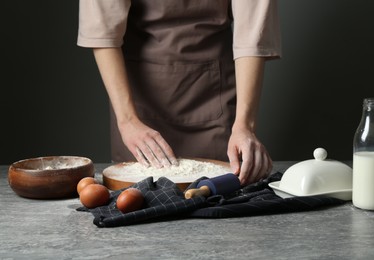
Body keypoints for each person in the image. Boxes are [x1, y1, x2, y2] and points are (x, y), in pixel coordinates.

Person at [77, 0, 281, 186]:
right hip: (136, 105)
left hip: (214, 97)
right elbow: (103, 30)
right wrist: (128, 120)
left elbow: (252, 33)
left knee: (216, 200)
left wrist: (245, 125)